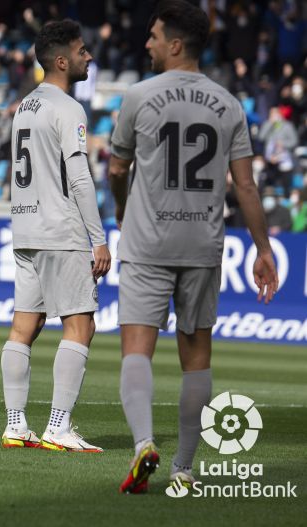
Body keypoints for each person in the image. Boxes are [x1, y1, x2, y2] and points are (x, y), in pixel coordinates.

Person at [109, 1, 279, 494]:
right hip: (203, 244)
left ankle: (144, 444)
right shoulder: (229, 104)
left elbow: (118, 169)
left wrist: (122, 209)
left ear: (176, 44)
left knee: (136, 350)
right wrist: (263, 250)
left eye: (155, 36)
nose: (148, 44)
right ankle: (183, 467)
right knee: (197, 357)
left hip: (146, 241)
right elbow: (245, 187)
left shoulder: (138, 96)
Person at [0, 20, 110, 453]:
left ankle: (15, 424)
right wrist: (97, 238)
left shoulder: (25, 105)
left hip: (25, 228)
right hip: (60, 231)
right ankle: (58, 427)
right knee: (81, 324)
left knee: (23, 326)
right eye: (82, 51)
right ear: (62, 60)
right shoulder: (68, 108)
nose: (89, 57)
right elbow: (80, 179)